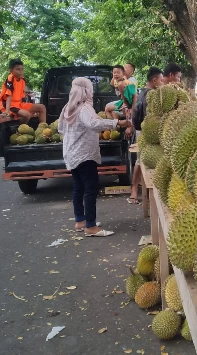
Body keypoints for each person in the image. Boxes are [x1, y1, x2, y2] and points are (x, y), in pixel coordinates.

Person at [58, 77, 131, 237]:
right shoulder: (84, 108)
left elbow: (60, 128)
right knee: (90, 188)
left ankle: (80, 221)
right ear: (86, 91)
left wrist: (76, 134)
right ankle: (90, 226)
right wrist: (116, 123)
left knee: (78, 187)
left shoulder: (68, 108)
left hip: (71, 153)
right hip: (84, 154)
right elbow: (94, 124)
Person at [127, 66, 164, 204]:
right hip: (146, 132)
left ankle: (135, 192)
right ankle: (134, 192)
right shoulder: (151, 95)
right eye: (161, 80)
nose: (162, 83)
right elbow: (152, 118)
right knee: (141, 161)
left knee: (140, 160)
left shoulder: (142, 92)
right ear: (154, 80)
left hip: (141, 131)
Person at [0, 59, 47, 123]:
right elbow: (9, 95)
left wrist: (31, 108)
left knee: (42, 107)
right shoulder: (10, 78)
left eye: (22, 69)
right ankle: (19, 131)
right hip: (9, 105)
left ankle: (43, 128)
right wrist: (6, 111)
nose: (21, 71)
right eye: (18, 69)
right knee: (27, 114)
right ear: (11, 70)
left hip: (19, 104)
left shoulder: (22, 79)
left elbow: (22, 96)